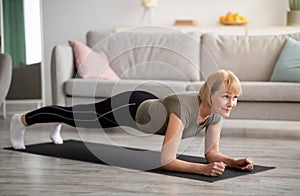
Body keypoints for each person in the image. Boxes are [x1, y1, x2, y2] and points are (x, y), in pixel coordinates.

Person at [10, 69, 253, 176]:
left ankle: (57, 122)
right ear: (209, 93)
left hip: (150, 103)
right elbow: (167, 161)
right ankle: (21, 120)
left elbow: (211, 152)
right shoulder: (184, 109)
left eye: (235, 98)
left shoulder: (217, 113)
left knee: (73, 114)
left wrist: (232, 162)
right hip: (128, 109)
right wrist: (202, 169)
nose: (231, 103)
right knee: (76, 115)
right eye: (225, 96)